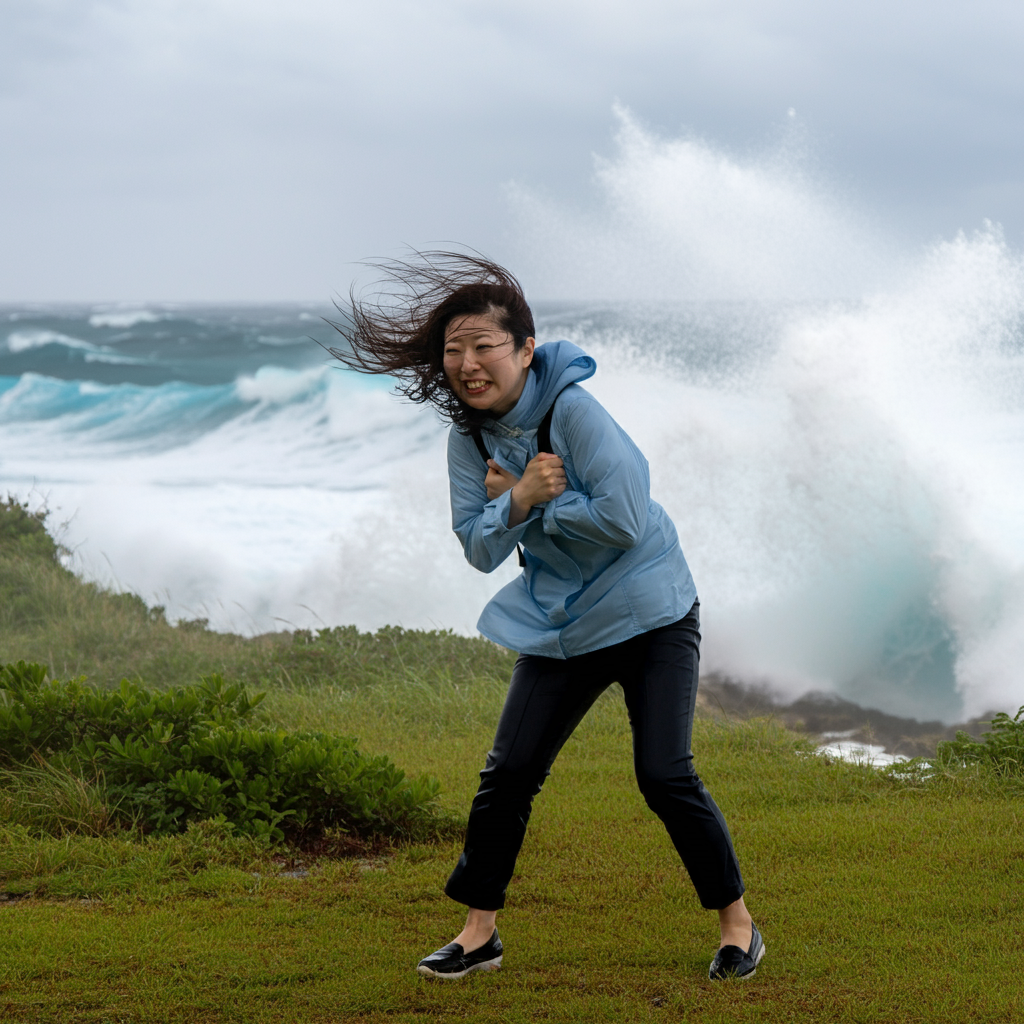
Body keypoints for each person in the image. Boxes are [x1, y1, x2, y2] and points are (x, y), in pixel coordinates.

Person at [332, 252, 764, 982]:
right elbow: (477, 546)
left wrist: (541, 499)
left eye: (483, 347)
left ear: (526, 351)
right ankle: (478, 933)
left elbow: (625, 521)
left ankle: (738, 927)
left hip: (651, 609)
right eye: (453, 350)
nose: (467, 364)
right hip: (564, 623)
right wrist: (521, 499)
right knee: (510, 772)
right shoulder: (467, 439)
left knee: (663, 774)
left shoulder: (574, 411)